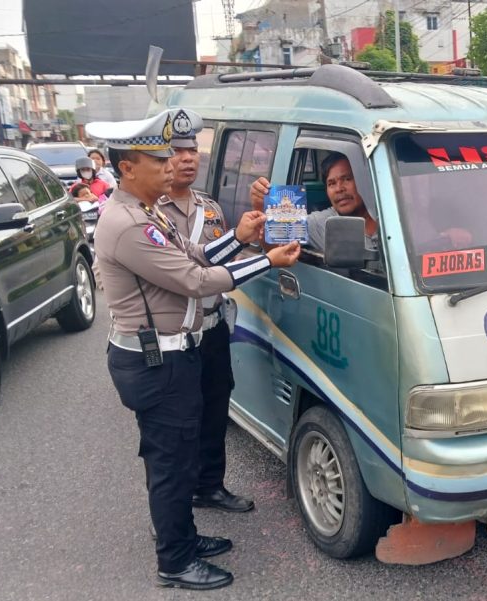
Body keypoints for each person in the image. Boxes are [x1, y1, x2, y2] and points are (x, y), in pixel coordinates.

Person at [88, 112, 300, 590]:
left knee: (182, 454)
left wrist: (240, 239)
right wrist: (265, 260)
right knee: (170, 461)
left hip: (171, 355)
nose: (169, 164)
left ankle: (183, 535)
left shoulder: (149, 212)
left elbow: (197, 256)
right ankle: (175, 560)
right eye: (157, 157)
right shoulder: (126, 223)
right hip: (154, 360)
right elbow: (194, 281)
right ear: (127, 167)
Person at [157, 108, 253, 515]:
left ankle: (210, 486)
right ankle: (174, 508)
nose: (187, 158)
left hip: (212, 327)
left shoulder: (211, 207)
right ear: (163, 160)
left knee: (216, 408)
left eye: (192, 150)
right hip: (173, 335)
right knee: (177, 424)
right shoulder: (151, 213)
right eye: (177, 151)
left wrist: (258, 238)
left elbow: (229, 256)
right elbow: (191, 272)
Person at [250, 152, 470, 252]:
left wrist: (451, 236)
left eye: (347, 179)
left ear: (365, 181)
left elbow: (429, 250)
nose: (340, 189)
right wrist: (260, 207)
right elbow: (272, 247)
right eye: (331, 183)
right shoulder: (321, 223)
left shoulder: (401, 215)